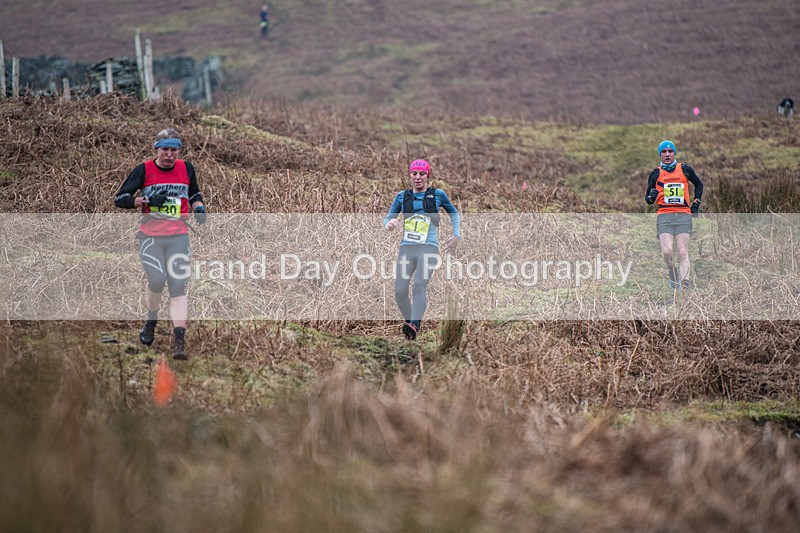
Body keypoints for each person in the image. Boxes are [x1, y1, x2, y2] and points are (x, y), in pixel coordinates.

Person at [114, 128, 207, 360]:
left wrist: (199, 208)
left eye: (174, 150)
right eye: (165, 149)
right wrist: (144, 200)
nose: (169, 155)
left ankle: (179, 341)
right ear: (156, 149)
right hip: (151, 237)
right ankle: (151, 319)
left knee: (178, 286)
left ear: (179, 150)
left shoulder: (186, 168)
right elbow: (120, 199)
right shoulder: (144, 170)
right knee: (156, 280)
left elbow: (194, 193)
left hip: (179, 236)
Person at [383, 159, 461, 340]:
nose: (418, 177)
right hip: (406, 248)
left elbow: (453, 213)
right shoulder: (402, 196)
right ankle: (410, 324)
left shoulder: (438, 194)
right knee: (400, 291)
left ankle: (414, 324)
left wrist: (456, 235)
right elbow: (388, 218)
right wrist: (389, 224)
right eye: (414, 173)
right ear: (410, 175)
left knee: (419, 286)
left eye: (422, 174)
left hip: (428, 248)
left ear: (427, 175)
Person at [645, 140, 703, 289]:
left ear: (674, 153)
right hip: (664, 216)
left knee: (682, 251)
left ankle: (684, 287)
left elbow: (699, 184)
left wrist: (696, 203)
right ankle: (672, 272)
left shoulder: (685, 169)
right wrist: (651, 196)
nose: (667, 154)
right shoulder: (655, 173)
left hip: (683, 214)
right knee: (667, 252)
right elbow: (648, 199)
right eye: (664, 152)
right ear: (660, 155)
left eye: (670, 151)